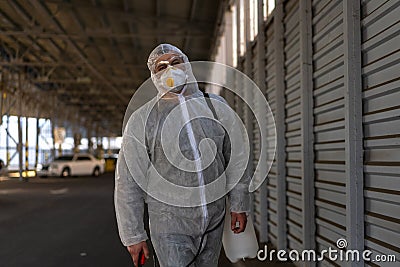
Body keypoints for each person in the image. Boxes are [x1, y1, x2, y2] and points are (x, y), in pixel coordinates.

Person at [115, 44, 250, 267]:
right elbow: (128, 181)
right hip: (170, 227)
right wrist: (133, 234)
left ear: (187, 65)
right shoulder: (143, 120)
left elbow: (236, 158)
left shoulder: (215, 107)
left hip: (213, 222)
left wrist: (239, 204)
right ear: (154, 76)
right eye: (161, 67)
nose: (170, 70)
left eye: (175, 62)